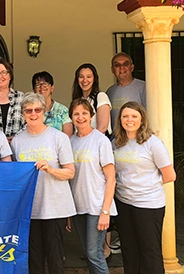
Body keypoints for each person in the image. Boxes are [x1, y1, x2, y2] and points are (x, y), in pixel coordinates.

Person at [10, 93, 76, 274]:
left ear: (44, 112)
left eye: (37, 110)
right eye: (28, 110)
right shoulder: (17, 140)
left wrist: (50, 169)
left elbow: (70, 172)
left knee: (55, 258)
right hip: (30, 210)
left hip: (55, 208)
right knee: (33, 259)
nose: (33, 114)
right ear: (23, 114)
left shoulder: (58, 137)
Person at [113, 101, 176, 274]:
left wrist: (146, 186)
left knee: (150, 251)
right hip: (123, 203)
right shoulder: (117, 143)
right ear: (120, 120)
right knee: (129, 250)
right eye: (125, 116)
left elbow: (170, 175)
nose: (129, 120)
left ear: (142, 119)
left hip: (148, 204)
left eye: (134, 116)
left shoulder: (153, 143)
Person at [68, 98, 117, 274]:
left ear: (91, 115)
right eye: (76, 114)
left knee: (94, 253)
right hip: (79, 206)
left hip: (97, 206)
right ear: (71, 117)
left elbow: (111, 178)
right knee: (88, 253)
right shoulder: (70, 142)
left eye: (84, 113)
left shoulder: (100, 140)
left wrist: (106, 211)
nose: (80, 117)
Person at [106, 52, 146, 127]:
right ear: (112, 70)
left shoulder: (143, 87)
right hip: (116, 137)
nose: (121, 68)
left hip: (137, 136)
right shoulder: (110, 91)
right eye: (117, 65)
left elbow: (149, 114)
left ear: (132, 67)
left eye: (125, 64)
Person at [71, 63, 111, 136]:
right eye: (81, 77)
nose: (85, 80)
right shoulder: (77, 100)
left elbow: (102, 128)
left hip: (96, 144)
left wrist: (89, 142)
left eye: (89, 77)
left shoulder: (101, 97)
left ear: (94, 79)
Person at [32, 71, 73, 137]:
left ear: (52, 88)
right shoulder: (31, 110)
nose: (42, 87)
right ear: (34, 90)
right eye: (38, 84)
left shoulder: (62, 110)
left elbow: (67, 135)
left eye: (45, 84)